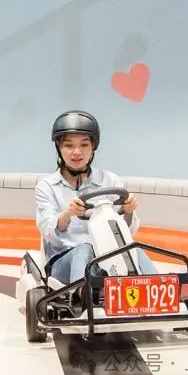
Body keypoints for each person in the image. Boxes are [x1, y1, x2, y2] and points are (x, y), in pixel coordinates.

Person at [34, 110, 158, 286]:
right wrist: (67, 214)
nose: (77, 152)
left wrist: (127, 211)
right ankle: (82, 295)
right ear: (58, 147)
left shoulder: (110, 180)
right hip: (64, 259)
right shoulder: (47, 187)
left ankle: (161, 289)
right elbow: (48, 231)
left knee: (133, 249)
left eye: (84, 145)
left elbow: (127, 232)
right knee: (85, 249)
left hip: (108, 257)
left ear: (93, 146)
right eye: (69, 145)